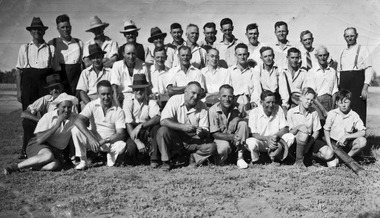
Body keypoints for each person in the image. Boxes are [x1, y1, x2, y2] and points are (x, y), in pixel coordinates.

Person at [4, 94, 78, 175]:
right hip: (40, 145)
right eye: (64, 107)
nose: (67, 110)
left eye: (69, 107)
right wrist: (57, 125)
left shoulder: (74, 118)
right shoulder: (48, 116)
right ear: (58, 106)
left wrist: (72, 157)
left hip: (57, 151)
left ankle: (32, 165)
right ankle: (15, 167)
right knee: (48, 156)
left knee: (53, 165)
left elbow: (72, 137)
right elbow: (39, 140)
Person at [156, 82, 216, 171]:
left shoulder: (202, 106)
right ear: (185, 91)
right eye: (193, 93)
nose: (195, 97)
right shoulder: (174, 100)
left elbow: (205, 129)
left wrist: (201, 132)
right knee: (163, 131)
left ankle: (193, 158)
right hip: (176, 139)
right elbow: (164, 121)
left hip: (192, 140)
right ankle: (166, 161)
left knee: (212, 147)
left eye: (198, 95)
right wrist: (182, 127)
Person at [72, 80, 126, 169]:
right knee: (75, 130)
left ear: (112, 93)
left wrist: (104, 141)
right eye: (103, 94)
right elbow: (77, 121)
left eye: (108, 94)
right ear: (98, 94)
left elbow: (120, 133)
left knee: (122, 145)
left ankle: (109, 156)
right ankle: (83, 160)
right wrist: (91, 138)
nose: (106, 97)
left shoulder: (118, 110)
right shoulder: (92, 105)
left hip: (109, 142)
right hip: (93, 140)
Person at [313, 89, 367, 166]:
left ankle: (346, 158)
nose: (343, 105)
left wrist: (346, 136)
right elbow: (326, 131)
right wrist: (330, 146)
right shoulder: (332, 113)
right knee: (333, 164)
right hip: (333, 143)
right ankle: (316, 156)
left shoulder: (354, 115)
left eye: (346, 102)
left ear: (350, 102)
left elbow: (363, 132)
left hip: (346, 144)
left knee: (362, 141)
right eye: (341, 103)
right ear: (336, 102)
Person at [19, 74, 65, 159]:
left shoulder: (68, 100)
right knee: (27, 122)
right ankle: (28, 151)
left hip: (62, 130)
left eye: (57, 87)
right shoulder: (47, 99)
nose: (55, 90)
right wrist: (40, 120)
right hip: (48, 129)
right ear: (49, 91)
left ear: (62, 87)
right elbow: (24, 113)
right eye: (52, 88)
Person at [246, 90, 295, 165]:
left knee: (290, 137)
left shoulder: (278, 109)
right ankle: (257, 160)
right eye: (268, 102)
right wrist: (267, 138)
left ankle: (277, 157)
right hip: (262, 141)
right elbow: (254, 134)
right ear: (261, 103)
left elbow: (285, 128)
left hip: (276, 142)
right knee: (251, 142)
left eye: (273, 102)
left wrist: (276, 136)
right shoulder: (254, 112)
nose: (271, 105)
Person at [16, 17, 55, 111]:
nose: (37, 31)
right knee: (28, 114)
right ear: (30, 32)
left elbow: (55, 71)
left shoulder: (51, 48)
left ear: (44, 31)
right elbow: (18, 72)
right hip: (28, 86)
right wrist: (19, 92)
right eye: (34, 29)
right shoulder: (24, 48)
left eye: (39, 29)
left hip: (45, 87)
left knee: (46, 115)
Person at [338, 27, 374, 125]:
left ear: (356, 36)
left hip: (357, 83)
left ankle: (359, 137)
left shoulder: (363, 49)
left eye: (352, 36)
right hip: (344, 84)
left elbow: (368, 68)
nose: (350, 38)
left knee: (358, 110)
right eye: (347, 36)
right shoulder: (342, 51)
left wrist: (365, 87)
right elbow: (339, 71)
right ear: (344, 37)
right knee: (344, 109)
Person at [124, 75, 161, 167]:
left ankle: (154, 158)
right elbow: (128, 123)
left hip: (146, 129)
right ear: (133, 90)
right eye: (136, 89)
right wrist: (137, 141)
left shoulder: (150, 101)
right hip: (132, 131)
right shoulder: (128, 101)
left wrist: (141, 126)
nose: (139, 91)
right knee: (131, 149)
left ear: (146, 90)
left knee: (156, 127)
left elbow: (157, 117)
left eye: (141, 89)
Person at [208, 85, 249, 168]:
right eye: (224, 96)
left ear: (233, 97)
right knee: (224, 147)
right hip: (220, 138)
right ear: (219, 97)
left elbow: (248, 119)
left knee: (243, 124)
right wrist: (232, 137)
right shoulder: (213, 110)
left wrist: (237, 118)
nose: (227, 99)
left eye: (230, 96)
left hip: (235, 139)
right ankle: (221, 162)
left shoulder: (238, 107)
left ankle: (240, 157)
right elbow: (215, 134)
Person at [287, 87, 322, 168]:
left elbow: (316, 131)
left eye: (312, 100)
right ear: (301, 98)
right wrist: (299, 127)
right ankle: (299, 161)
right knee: (303, 133)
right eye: (307, 99)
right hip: (295, 141)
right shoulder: (291, 112)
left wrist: (308, 146)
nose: (309, 102)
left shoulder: (314, 112)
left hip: (309, 140)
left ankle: (311, 157)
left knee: (328, 154)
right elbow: (290, 133)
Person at [49, 14, 84, 95]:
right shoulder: (52, 43)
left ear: (70, 27)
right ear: (58, 29)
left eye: (67, 27)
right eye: (62, 27)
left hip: (76, 81)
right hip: (60, 81)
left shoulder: (79, 43)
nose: (65, 29)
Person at [111, 43, 149, 110]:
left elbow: (146, 87)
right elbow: (114, 88)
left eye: (133, 53)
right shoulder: (117, 65)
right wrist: (119, 108)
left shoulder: (143, 65)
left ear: (136, 53)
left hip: (139, 97)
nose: (131, 56)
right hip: (123, 97)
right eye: (128, 53)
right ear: (123, 54)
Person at [305, 46, 339, 120]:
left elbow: (334, 91)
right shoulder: (311, 72)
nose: (322, 58)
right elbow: (312, 95)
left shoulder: (332, 71)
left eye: (324, 55)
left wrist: (332, 109)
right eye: (320, 55)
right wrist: (323, 111)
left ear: (328, 55)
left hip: (331, 102)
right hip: (317, 103)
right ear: (316, 56)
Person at [76, 44, 113, 108]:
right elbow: (82, 92)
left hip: (105, 98)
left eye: (98, 57)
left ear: (102, 57)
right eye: (93, 58)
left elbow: (113, 89)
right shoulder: (85, 72)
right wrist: (91, 105)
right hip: (89, 99)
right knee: (84, 108)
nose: (96, 60)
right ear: (90, 59)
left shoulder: (110, 72)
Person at [228, 43, 261, 113]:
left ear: (248, 55)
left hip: (249, 103)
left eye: (244, 54)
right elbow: (227, 89)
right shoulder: (229, 71)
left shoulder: (253, 72)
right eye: (239, 55)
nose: (242, 57)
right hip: (233, 103)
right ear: (235, 55)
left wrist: (253, 102)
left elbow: (257, 90)